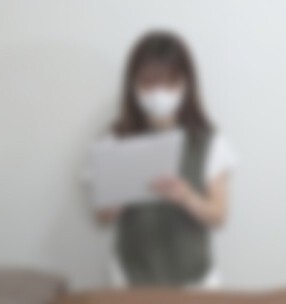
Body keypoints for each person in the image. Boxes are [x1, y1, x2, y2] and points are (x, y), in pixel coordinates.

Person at [90, 30, 238, 289]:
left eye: (170, 83)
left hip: (196, 280)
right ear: (133, 86)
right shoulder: (113, 141)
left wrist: (186, 197)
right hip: (130, 279)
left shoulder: (210, 142)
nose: (159, 93)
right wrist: (125, 187)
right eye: (148, 83)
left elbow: (219, 216)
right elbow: (102, 217)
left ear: (186, 84)